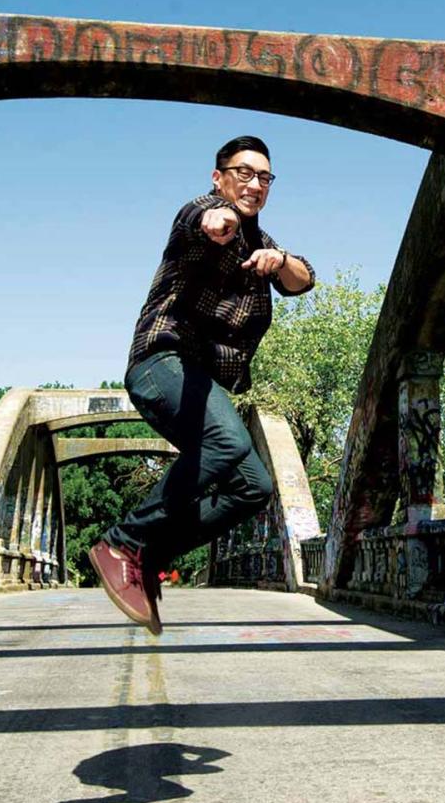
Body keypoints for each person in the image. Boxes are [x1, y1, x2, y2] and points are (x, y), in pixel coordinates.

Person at [89, 136, 315, 634]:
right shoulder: (204, 213)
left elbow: (304, 280)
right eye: (243, 173)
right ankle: (122, 541)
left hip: (201, 385)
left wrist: (279, 260)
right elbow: (202, 219)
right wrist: (218, 221)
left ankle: (150, 553)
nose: (254, 184)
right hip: (161, 362)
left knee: (253, 485)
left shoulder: (264, 247)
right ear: (219, 177)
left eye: (264, 177)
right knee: (228, 440)